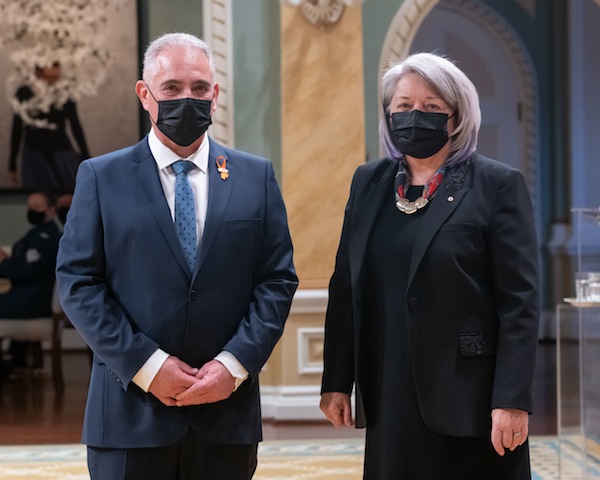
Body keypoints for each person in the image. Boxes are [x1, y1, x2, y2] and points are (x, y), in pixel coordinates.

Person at [56, 33, 298, 480]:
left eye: (199, 88)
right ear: (144, 94)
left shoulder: (255, 176)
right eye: (171, 88)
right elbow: (78, 284)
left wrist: (233, 366)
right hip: (130, 414)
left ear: (215, 94)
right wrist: (148, 367)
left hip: (226, 415)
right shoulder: (100, 177)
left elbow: (276, 281)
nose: (188, 99)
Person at [320, 52, 539, 480]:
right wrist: (336, 379)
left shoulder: (497, 185)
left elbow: (520, 303)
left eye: (431, 107)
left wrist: (512, 399)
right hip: (389, 388)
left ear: (456, 117)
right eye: (403, 106)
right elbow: (346, 286)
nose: (414, 115)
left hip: (470, 396)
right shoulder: (369, 182)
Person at [0, 190, 60, 370]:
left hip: (35, 299)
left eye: (37, 207)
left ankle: (6, 367)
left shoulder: (46, 239)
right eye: (30, 207)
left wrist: (3, 263)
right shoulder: (37, 234)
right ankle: (16, 360)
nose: (32, 211)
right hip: (27, 294)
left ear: (51, 210)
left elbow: (26, 271)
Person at [8, 62, 90, 191]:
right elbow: (17, 128)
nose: (56, 69)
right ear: (40, 66)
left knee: (68, 196)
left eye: (57, 64)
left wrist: (86, 156)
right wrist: (12, 162)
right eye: (52, 64)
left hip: (61, 151)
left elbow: (75, 125)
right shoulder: (24, 92)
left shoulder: (65, 91)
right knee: (39, 198)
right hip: (34, 153)